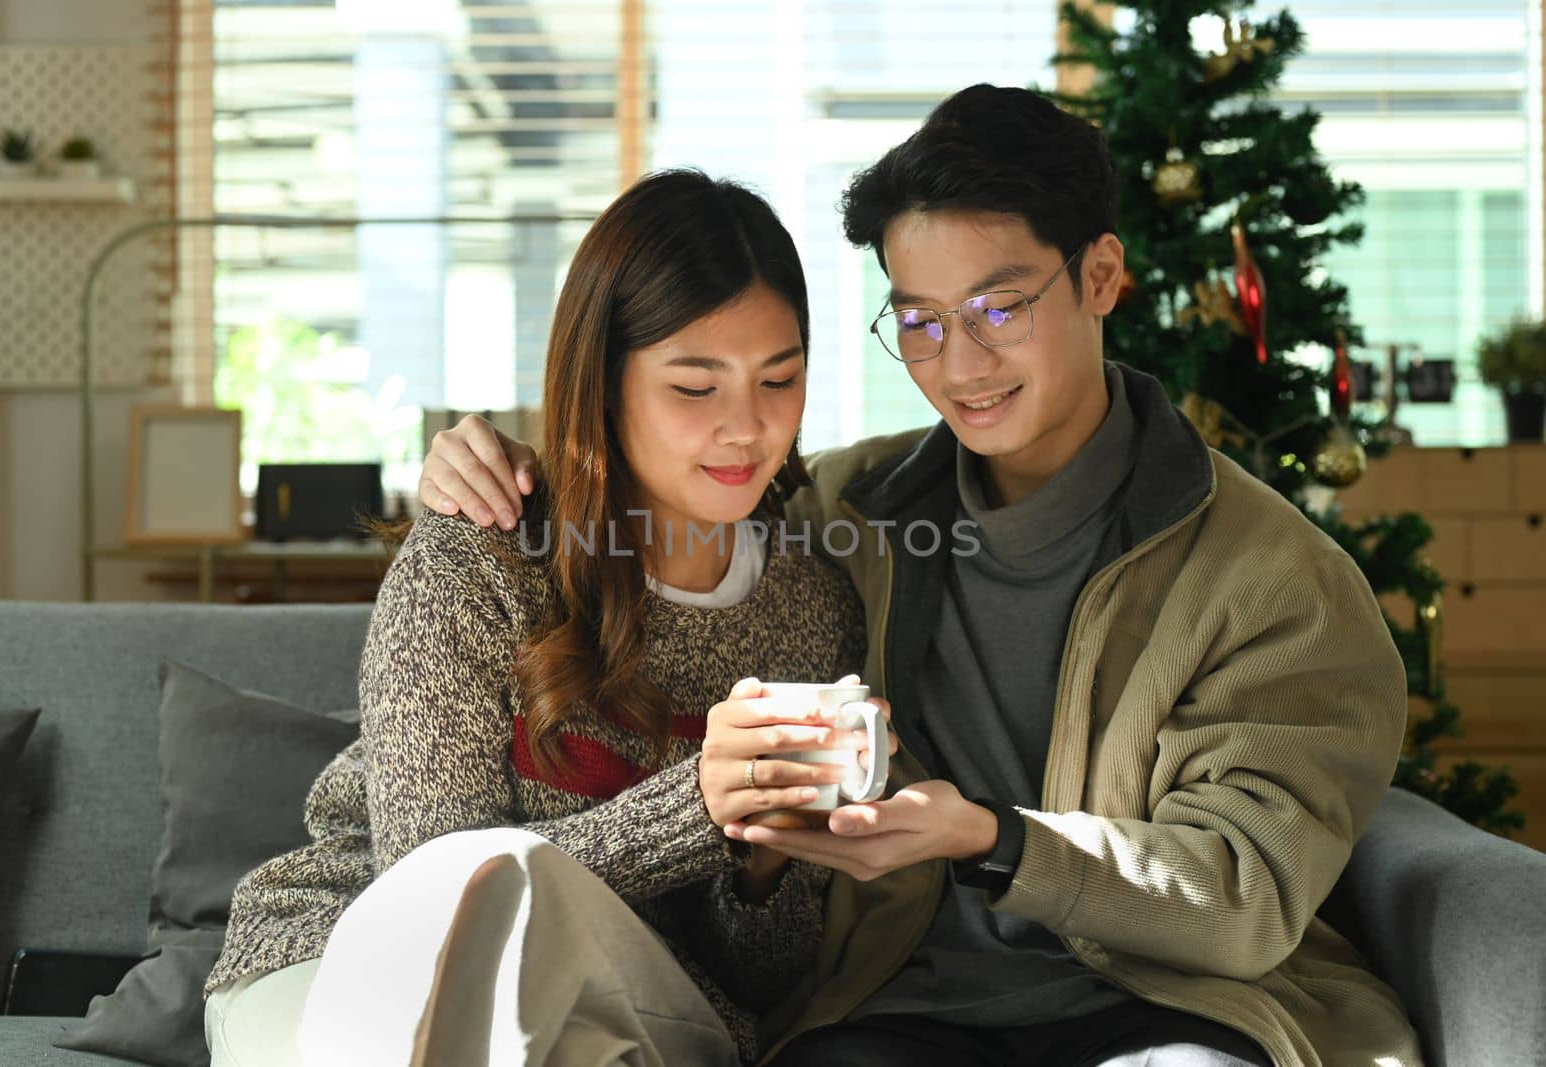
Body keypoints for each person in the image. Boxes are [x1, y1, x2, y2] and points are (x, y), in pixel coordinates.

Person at [415, 85, 1423, 1067]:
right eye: (921, 321)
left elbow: (1240, 895)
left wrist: (992, 840)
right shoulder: (847, 514)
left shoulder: (1276, 580)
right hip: (892, 1000)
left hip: (1175, 1002)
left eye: (998, 306)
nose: (960, 362)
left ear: (1102, 274)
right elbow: (678, 487)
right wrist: (515, 469)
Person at [200, 168, 892, 1067]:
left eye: (780, 378)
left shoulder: (810, 608)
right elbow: (434, 895)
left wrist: (763, 859)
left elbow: (767, 974)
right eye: (695, 387)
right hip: (342, 952)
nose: (748, 427)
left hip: (633, 992)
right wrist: (698, 805)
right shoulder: (479, 556)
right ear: (604, 383)